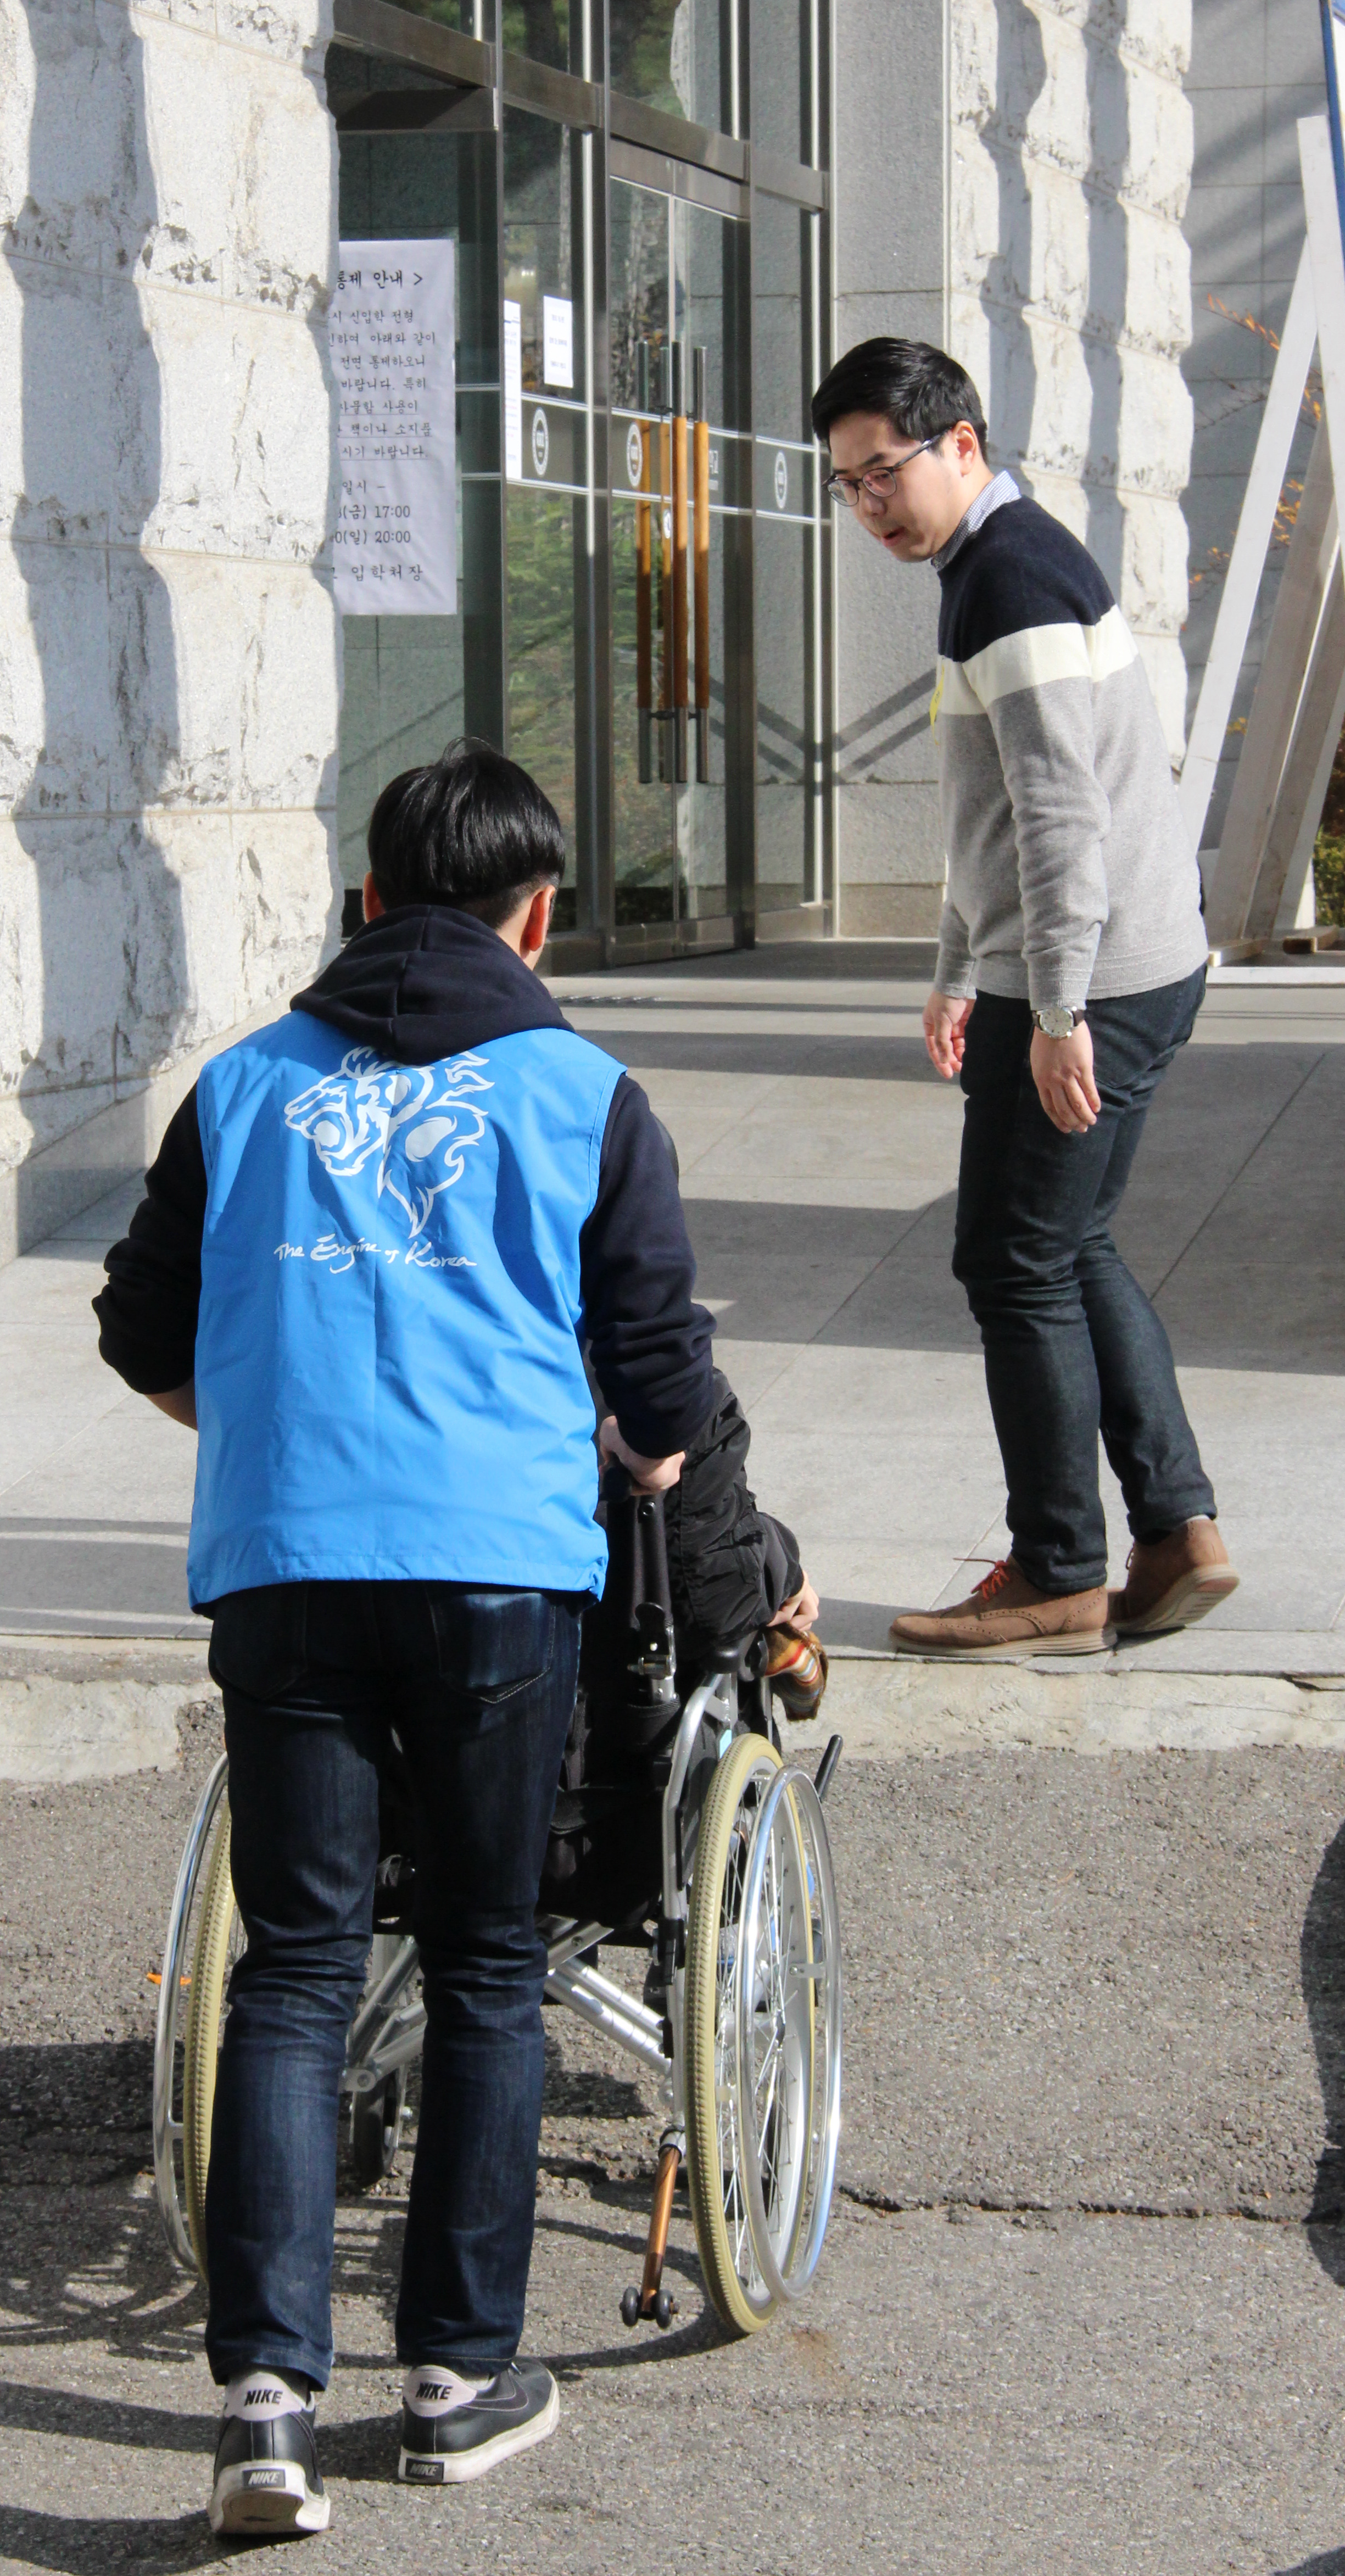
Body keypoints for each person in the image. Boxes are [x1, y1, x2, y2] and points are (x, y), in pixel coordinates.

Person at [93, 741, 715, 2537]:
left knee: (289, 1973)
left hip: (285, 1564)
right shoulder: (580, 1092)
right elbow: (658, 1370)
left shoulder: (241, 1089)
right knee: (482, 1958)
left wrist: (267, 1428)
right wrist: (644, 1455)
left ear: (366, 903)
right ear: (536, 914)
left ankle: (267, 2408)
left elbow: (138, 1326)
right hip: (494, 1576)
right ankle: (454, 2375)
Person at [808, 337, 1238, 1659]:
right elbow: (990, 811)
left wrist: (1053, 1013)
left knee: (1011, 1259)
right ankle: (1175, 1533)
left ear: (964, 445)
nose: (874, 503)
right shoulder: (990, 565)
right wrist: (960, 967)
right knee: (1067, 1245)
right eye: (849, 484)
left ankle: (1060, 1570)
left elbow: (1061, 821)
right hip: (1102, 967)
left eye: (886, 471)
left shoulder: (1009, 581)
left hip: (1097, 977)